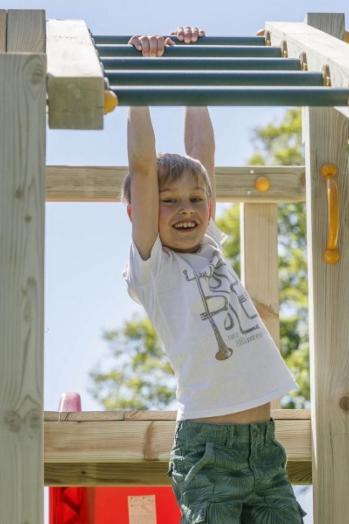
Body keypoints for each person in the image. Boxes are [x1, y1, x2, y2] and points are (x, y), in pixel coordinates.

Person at [122, 26, 307, 523]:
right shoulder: (153, 267)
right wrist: (137, 84)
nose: (187, 209)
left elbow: (201, 152)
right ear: (140, 213)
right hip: (207, 450)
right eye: (168, 202)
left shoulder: (210, 247)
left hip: (264, 449)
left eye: (195, 200)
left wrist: (192, 67)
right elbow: (142, 168)